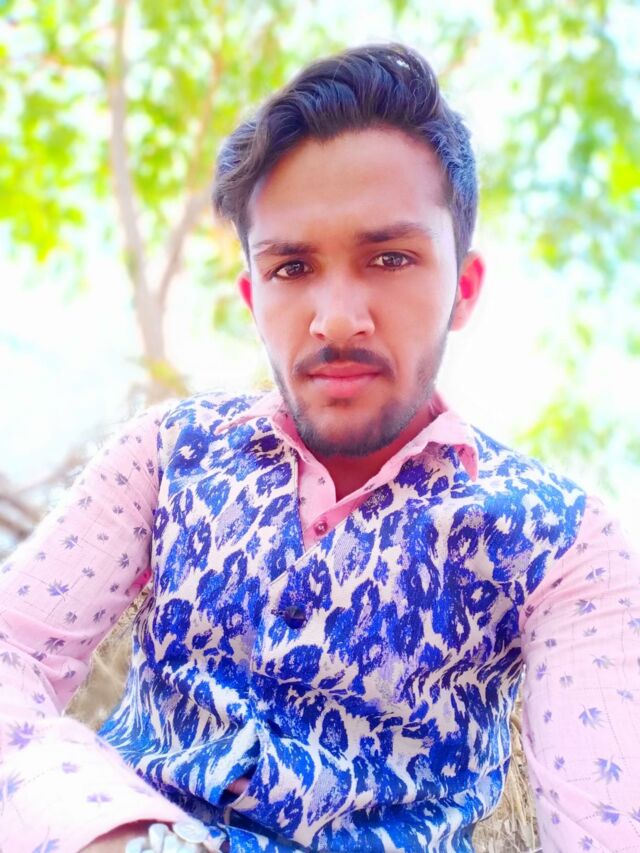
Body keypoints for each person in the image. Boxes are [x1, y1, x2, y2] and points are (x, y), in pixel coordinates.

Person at [1, 43, 638, 853]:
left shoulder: (560, 543)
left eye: (390, 258)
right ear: (252, 296)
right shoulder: (166, 454)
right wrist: (116, 832)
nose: (337, 318)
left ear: (463, 288)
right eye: (292, 267)